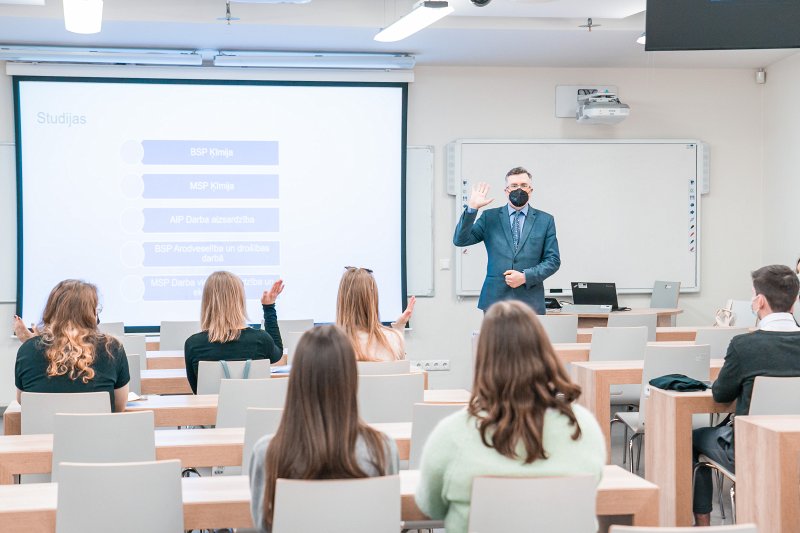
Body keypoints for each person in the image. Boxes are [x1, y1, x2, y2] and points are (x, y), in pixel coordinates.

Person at [415, 300, 605, 533]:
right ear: (544, 351)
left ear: (484, 359)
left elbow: (431, 508)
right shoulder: (582, 426)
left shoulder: (453, 433)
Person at [249, 325, 399, 532]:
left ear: (297, 379)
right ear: (351, 378)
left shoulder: (266, 453)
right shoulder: (382, 449)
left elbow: (263, 526)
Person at [692, 264, 800, 526]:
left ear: (759, 301)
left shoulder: (744, 346)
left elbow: (720, 395)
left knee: (693, 438)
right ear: (794, 302)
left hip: (750, 451)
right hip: (795, 447)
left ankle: (703, 525)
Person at [453, 166, 560, 315]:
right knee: (495, 340)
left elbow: (553, 260)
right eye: (514, 186)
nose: (519, 189)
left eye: (524, 185)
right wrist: (472, 209)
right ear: (506, 191)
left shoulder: (545, 220)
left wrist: (525, 277)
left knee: (528, 340)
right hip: (495, 301)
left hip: (530, 302)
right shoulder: (489, 217)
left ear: (531, 190)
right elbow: (460, 240)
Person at [13, 279, 130, 412]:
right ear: (92, 314)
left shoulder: (27, 349)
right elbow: (119, 407)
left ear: (51, 312)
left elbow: (24, 400)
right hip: (98, 432)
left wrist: (32, 344)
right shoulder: (113, 348)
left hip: (45, 432)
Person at [184, 271, 284, 394]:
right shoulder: (261, 339)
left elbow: (197, 389)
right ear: (240, 301)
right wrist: (269, 307)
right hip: (252, 411)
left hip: (212, 412)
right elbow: (277, 353)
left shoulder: (193, 344)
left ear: (207, 302)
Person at [336, 266, 415, 361]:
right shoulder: (393, 339)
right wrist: (399, 327)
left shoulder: (331, 345)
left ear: (342, 300)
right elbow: (401, 370)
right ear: (373, 299)